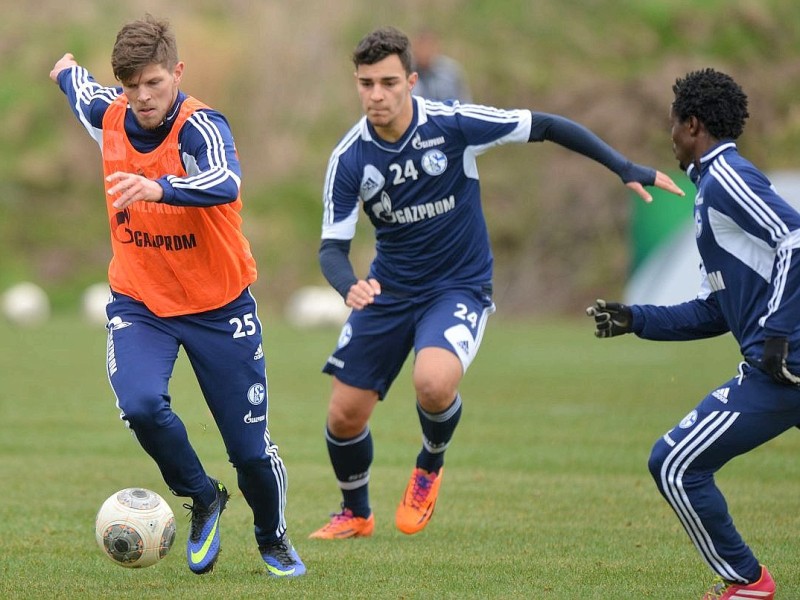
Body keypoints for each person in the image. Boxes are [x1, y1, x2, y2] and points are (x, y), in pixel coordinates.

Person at [309, 25, 684, 540]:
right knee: (344, 416)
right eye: (366, 83)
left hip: (457, 285)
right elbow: (331, 247)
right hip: (388, 290)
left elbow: (547, 125)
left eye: (389, 82)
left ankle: (429, 464)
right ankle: (356, 512)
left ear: (412, 81)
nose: (377, 95)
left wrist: (622, 167)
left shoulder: (455, 124)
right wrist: (347, 284)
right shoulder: (349, 158)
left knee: (434, 382)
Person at [49, 15, 305, 577]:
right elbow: (81, 89)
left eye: (154, 83)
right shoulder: (109, 112)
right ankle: (201, 495)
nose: (141, 96)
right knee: (139, 402)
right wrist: (65, 71)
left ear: (177, 72)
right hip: (141, 301)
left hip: (220, 307)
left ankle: (273, 536)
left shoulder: (201, 127)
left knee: (251, 453)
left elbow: (226, 180)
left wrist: (157, 186)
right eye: (131, 84)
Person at [586, 68, 800, 599]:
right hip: (781, 362)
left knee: (675, 462)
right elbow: (717, 310)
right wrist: (639, 319)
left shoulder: (727, 178)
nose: (671, 138)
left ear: (694, 125)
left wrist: (778, 331)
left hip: (782, 365)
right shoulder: (711, 189)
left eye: (674, 126)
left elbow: (796, 238)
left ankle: (746, 583)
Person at [411, 28, 471, 102]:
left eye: (429, 46)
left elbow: (465, 102)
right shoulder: (407, 73)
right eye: (421, 46)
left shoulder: (451, 73)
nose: (425, 51)